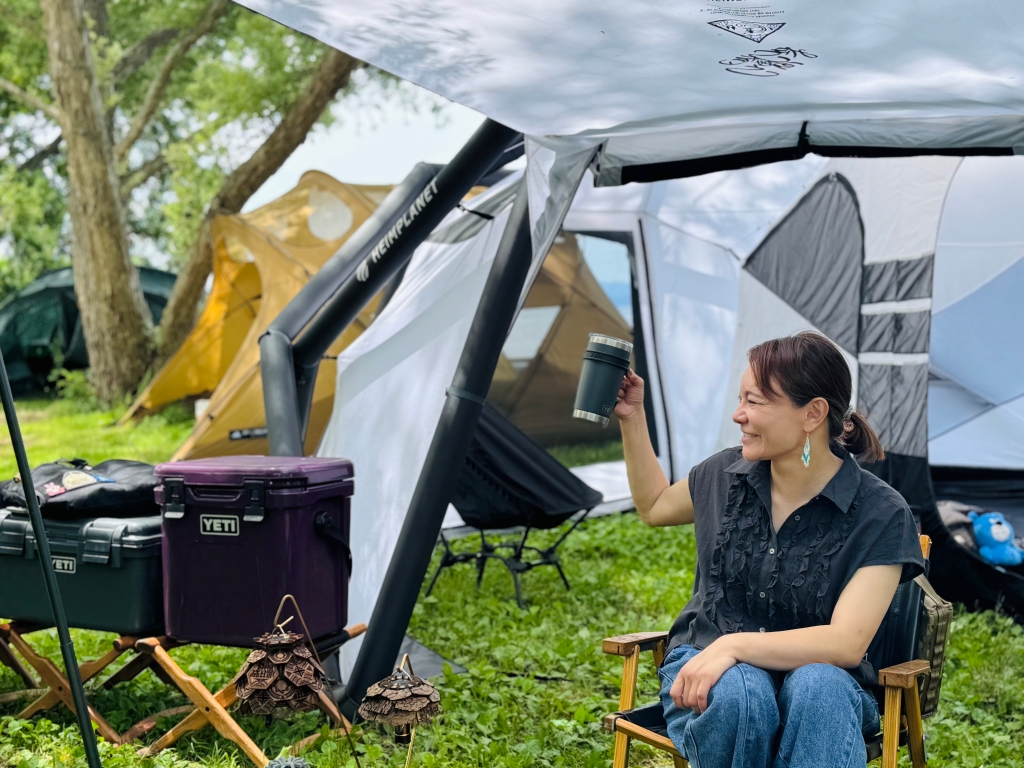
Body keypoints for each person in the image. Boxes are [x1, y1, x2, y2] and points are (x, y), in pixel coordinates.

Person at [615, 331, 925, 768]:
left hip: (825, 685)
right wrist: (632, 416)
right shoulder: (724, 475)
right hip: (713, 676)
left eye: (755, 401)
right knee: (739, 695)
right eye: (741, 399)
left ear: (813, 413)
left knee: (820, 688)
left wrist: (732, 646)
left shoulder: (880, 513)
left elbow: (846, 643)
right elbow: (654, 505)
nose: (738, 414)